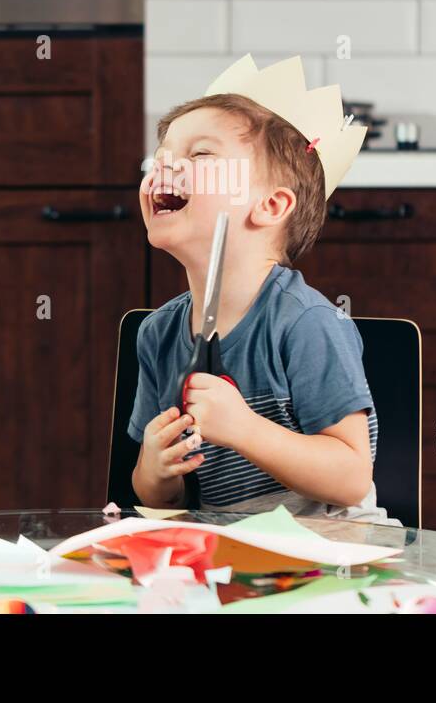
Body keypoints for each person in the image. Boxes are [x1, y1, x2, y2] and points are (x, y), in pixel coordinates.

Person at [129, 56, 390, 522]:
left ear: (270, 206)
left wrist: (244, 429)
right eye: (163, 155)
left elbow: (352, 478)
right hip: (230, 556)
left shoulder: (306, 323)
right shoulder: (158, 334)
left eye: (200, 155)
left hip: (330, 554)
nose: (166, 167)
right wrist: (155, 467)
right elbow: (157, 502)